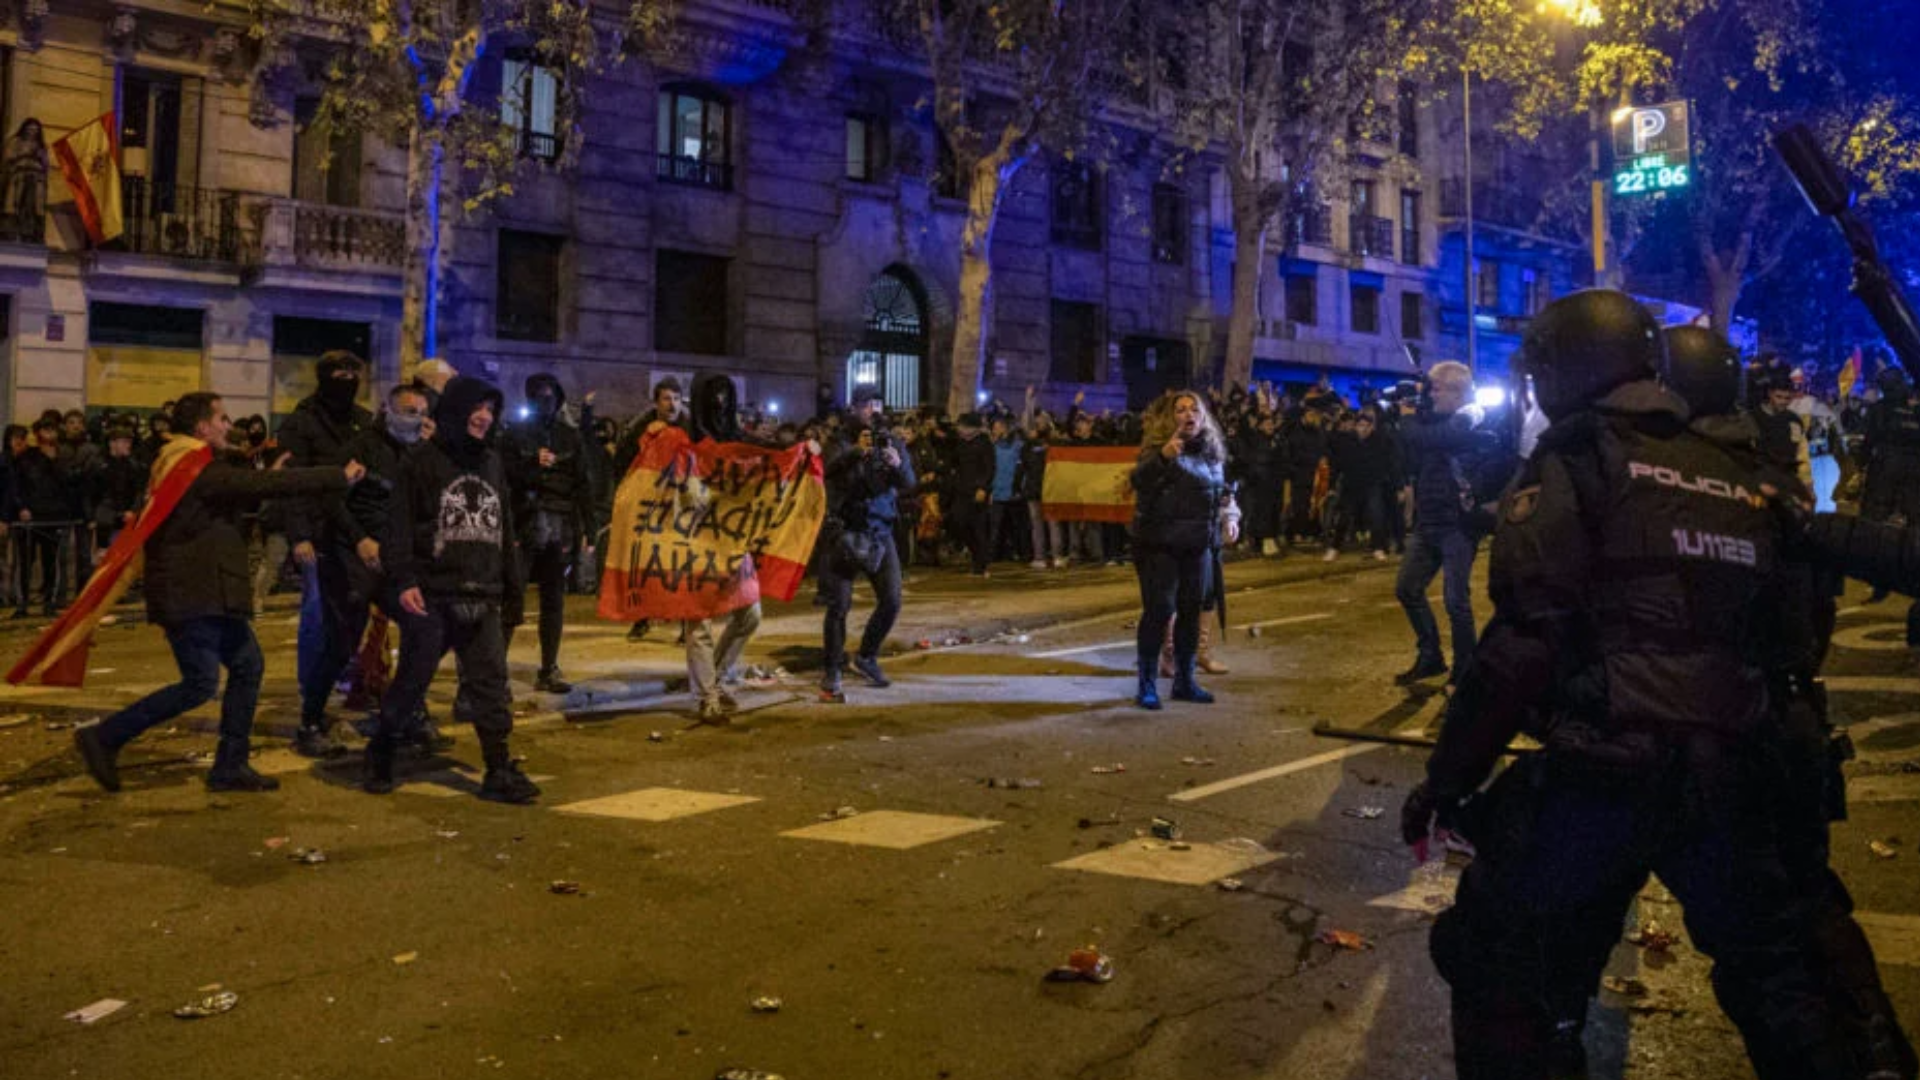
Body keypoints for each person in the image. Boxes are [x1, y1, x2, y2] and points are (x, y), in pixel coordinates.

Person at [1400, 291, 1889, 1080]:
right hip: (1733, 769)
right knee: (1784, 978)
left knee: (1500, 958)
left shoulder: (1577, 460)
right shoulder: (1738, 470)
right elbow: (1791, 634)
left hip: (1608, 767)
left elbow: (1522, 645)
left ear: (1567, 370)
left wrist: (1447, 781)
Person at [71, 392, 364, 793]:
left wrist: (266, 479)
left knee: (247, 666)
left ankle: (230, 764)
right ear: (201, 427)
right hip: (192, 594)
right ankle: (105, 737)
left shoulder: (190, 465)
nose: (230, 426)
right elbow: (249, 485)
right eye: (222, 419)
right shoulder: (193, 467)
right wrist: (336, 476)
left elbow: (241, 493)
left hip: (210, 591)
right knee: (200, 683)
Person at [362, 376, 537, 803]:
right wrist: (403, 580)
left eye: (491, 410)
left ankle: (498, 768)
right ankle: (381, 749)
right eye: (477, 408)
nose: (484, 417)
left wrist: (512, 590)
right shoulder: (420, 461)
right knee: (412, 682)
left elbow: (504, 526)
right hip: (435, 594)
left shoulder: (492, 461)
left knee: (490, 686)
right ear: (457, 410)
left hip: (483, 593)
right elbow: (399, 525)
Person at [298, 383, 448, 753]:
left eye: (422, 412)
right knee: (343, 641)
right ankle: (311, 720)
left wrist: (430, 451)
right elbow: (332, 498)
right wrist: (359, 538)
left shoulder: (422, 451)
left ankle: (406, 710)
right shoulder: (362, 446)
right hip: (352, 557)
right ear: (388, 410)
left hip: (396, 559)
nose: (417, 419)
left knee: (424, 628)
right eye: (409, 411)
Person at [277, 350, 374, 756]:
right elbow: (292, 483)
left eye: (354, 372)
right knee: (324, 624)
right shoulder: (302, 422)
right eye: (339, 372)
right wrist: (299, 535)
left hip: (361, 536)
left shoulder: (364, 421)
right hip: (321, 537)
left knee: (353, 627)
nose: (347, 378)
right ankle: (311, 711)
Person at [1393, 362, 1499, 687]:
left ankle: (1466, 668)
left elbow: (1442, 437)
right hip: (1429, 521)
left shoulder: (1473, 413)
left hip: (1458, 523)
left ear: (1456, 391)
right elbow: (1415, 442)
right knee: (1407, 589)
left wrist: (1409, 417)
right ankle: (1430, 656)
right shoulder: (1433, 421)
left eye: (1436, 389)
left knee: (1456, 601)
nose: (1431, 395)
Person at [1130, 391, 1237, 711]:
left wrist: (1229, 514)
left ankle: (1185, 681)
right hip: (1160, 544)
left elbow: (1222, 492)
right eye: (1180, 410)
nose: (1188, 415)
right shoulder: (1157, 450)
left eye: (1194, 410)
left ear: (1203, 418)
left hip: (1199, 546)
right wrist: (1163, 457)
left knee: (1191, 613)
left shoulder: (1210, 452)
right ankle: (1147, 684)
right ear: (1170, 417)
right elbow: (1138, 481)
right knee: (1159, 611)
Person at [680, 373, 774, 724]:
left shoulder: (737, 439)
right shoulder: (685, 444)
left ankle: (714, 680)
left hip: (733, 539)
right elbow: (687, 496)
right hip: (697, 541)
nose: (719, 401)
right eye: (713, 394)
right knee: (699, 622)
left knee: (750, 613)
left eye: (725, 393)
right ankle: (706, 696)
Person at [819, 384, 915, 702]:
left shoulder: (891, 440)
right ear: (854, 408)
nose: (871, 411)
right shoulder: (839, 440)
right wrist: (855, 452)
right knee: (839, 606)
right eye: (865, 405)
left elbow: (909, 483)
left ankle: (867, 656)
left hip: (879, 531)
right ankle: (832, 670)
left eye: (876, 404)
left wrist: (896, 464)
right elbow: (826, 470)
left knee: (892, 599)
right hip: (845, 532)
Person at [504, 373, 594, 694]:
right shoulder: (514, 434)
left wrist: (589, 530)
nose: (546, 400)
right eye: (539, 395)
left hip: (559, 524)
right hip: (525, 522)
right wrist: (531, 463)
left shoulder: (569, 436)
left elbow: (582, 483)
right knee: (512, 597)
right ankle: (495, 670)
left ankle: (549, 668)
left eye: (550, 395)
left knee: (553, 600)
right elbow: (504, 475)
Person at [622, 378, 688, 643]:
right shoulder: (641, 427)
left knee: (682, 565)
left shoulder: (691, 426)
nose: (672, 404)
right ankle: (642, 618)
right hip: (650, 508)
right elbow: (623, 459)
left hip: (681, 507)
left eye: (676, 398)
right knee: (647, 564)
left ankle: (686, 623)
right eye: (666, 399)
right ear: (656, 402)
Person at [13, 417, 67, 617]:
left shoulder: (63, 457)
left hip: (53, 517)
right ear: (37, 433)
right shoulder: (25, 457)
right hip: (29, 518)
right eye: (45, 430)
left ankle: (49, 603)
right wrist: (21, 507)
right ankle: (22, 604)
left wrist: (54, 462)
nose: (49, 435)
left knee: (51, 562)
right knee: (25, 562)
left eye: (52, 430)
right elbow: (16, 485)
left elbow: (69, 485)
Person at [947, 413, 995, 576]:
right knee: (958, 521)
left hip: (977, 492)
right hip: (961, 489)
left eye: (962, 425)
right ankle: (975, 555)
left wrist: (983, 488)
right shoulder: (960, 443)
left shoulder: (984, 442)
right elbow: (954, 462)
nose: (959, 429)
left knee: (978, 527)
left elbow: (989, 468)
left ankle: (981, 564)